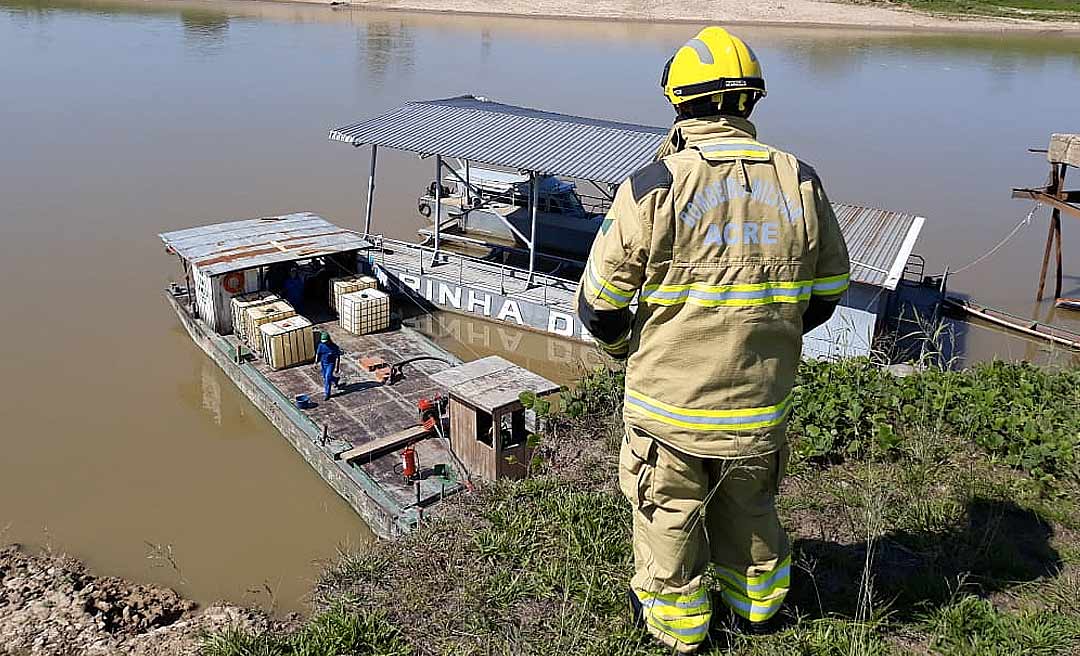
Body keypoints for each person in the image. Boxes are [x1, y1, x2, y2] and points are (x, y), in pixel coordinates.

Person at [575, 26, 850, 653]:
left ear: (678, 102)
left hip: (668, 409)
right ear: (750, 103)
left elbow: (600, 308)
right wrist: (772, 335)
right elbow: (830, 289)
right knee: (751, 509)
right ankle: (758, 612)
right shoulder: (800, 181)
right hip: (760, 404)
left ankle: (682, 630)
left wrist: (629, 356)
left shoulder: (653, 188)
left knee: (668, 515)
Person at [315, 331, 341, 401]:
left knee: (327, 378)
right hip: (323, 363)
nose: (325, 343)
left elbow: (338, 357)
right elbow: (318, 354)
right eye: (323, 342)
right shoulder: (321, 345)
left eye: (326, 342)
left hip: (331, 364)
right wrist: (316, 362)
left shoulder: (334, 347)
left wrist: (337, 367)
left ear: (329, 340)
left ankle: (327, 394)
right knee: (325, 376)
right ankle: (335, 379)